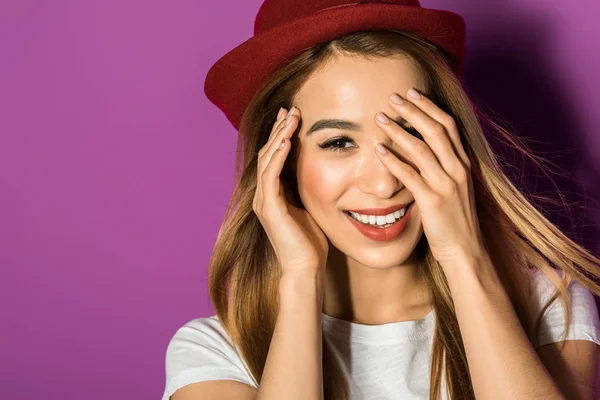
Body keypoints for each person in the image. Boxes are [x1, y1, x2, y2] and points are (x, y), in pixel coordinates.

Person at [162, 1, 600, 399]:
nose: (384, 182)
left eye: (408, 132)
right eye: (337, 142)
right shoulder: (214, 354)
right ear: (280, 164)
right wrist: (299, 276)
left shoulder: (549, 305)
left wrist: (463, 256)